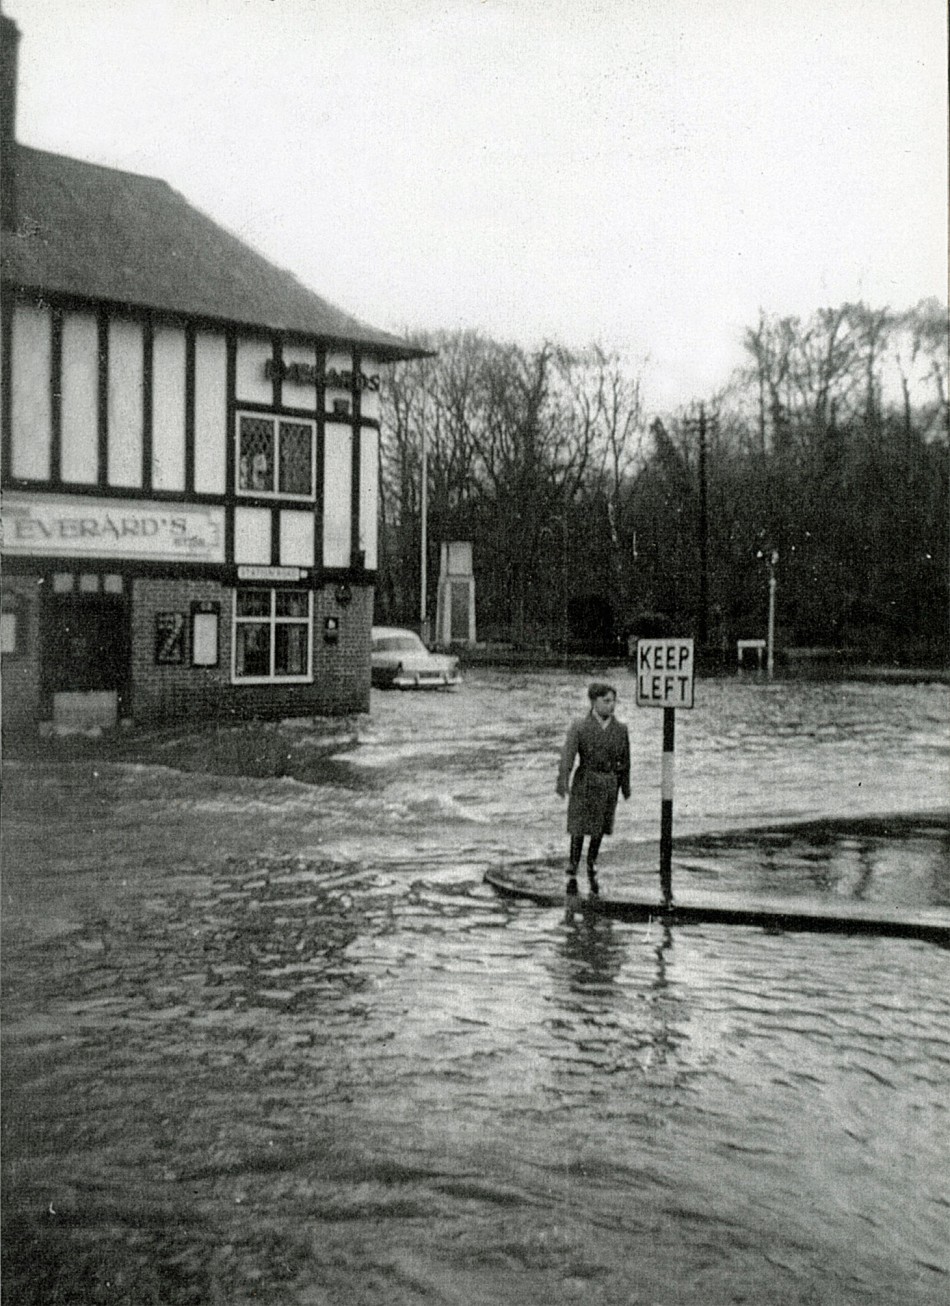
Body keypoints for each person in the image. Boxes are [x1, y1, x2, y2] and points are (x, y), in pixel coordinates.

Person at [556, 682, 631, 896]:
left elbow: (626, 761)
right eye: (606, 701)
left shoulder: (620, 729)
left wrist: (625, 786)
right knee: (579, 824)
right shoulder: (580, 726)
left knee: (600, 825)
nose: (611, 706)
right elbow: (568, 755)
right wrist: (563, 780)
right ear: (593, 702)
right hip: (586, 779)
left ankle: (592, 861)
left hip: (608, 781)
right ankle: (573, 862)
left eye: (613, 701)